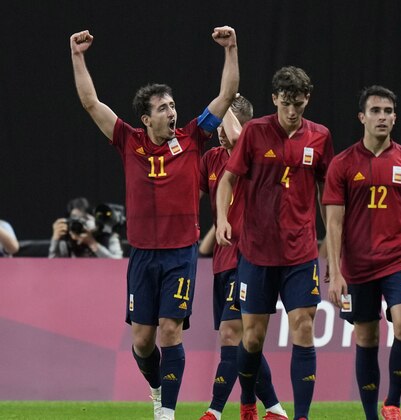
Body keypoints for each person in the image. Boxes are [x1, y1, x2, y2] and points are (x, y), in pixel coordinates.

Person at [69, 25, 238, 420]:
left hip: (180, 253)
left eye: (173, 105)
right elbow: (91, 103)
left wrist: (231, 48)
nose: (172, 112)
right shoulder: (128, 141)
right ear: (146, 118)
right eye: (163, 108)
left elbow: (227, 94)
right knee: (143, 342)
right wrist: (77, 56)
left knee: (169, 331)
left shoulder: (194, 136)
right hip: (142, 254)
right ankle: (158, 387)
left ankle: (168, 412)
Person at [215, 66, 334, 420]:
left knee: (303, 326)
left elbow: (327, 192)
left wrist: (332, 243)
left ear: (306, 100)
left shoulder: (320, 137)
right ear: (274, 100)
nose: (292, 111)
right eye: (286, 103)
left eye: (298, 103)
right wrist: (222, 218)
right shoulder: (254, 132)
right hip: (256, 253)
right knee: (251, 338)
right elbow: (227, 180)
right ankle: (249, 401)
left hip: (301, 253)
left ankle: (301, 416)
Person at [323, 85, 401, 420]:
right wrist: (335, 271)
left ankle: (393, 403)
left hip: (398, 259)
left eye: (388, 112)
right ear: (362, 117)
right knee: (367, 336)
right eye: (375, 111)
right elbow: (333, 223)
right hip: (357, 266)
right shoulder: (342, 164)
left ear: (395, 117)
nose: (382, 117)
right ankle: (372, 415)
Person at [198, 95, 287, 420]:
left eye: (226, 121)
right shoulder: (209, 159)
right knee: (245, 340)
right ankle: (274, 409)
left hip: (249, 258)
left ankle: (215, 409)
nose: (220, 130)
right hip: (222, 261)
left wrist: (226, 94)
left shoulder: (253, 153)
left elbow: (236, 138)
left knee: (232, 333)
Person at [49, 197, 123, 258]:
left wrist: (93, 243)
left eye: (84, 220)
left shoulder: (108, 237)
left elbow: (117, 264)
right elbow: (52, 268)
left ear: (93, 220)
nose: (79, 225)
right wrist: (55, 240)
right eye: (75, 220)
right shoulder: (66, 240)